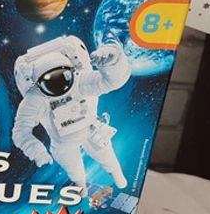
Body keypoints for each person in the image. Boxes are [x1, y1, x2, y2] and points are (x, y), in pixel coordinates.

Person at [12, 35, 131, 192]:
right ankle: (81, 188)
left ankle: (117, 176)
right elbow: (21, 131)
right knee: (75, 171)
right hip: (64, 145)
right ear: (38, 83)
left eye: (63, 77)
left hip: (91, 133)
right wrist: (37, 151)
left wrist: (113, 60)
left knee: (108, 158)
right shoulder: (36, 98)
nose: (58, 84)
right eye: (50, 81)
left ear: (71, 71)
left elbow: (112, 81)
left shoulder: (79, 81)